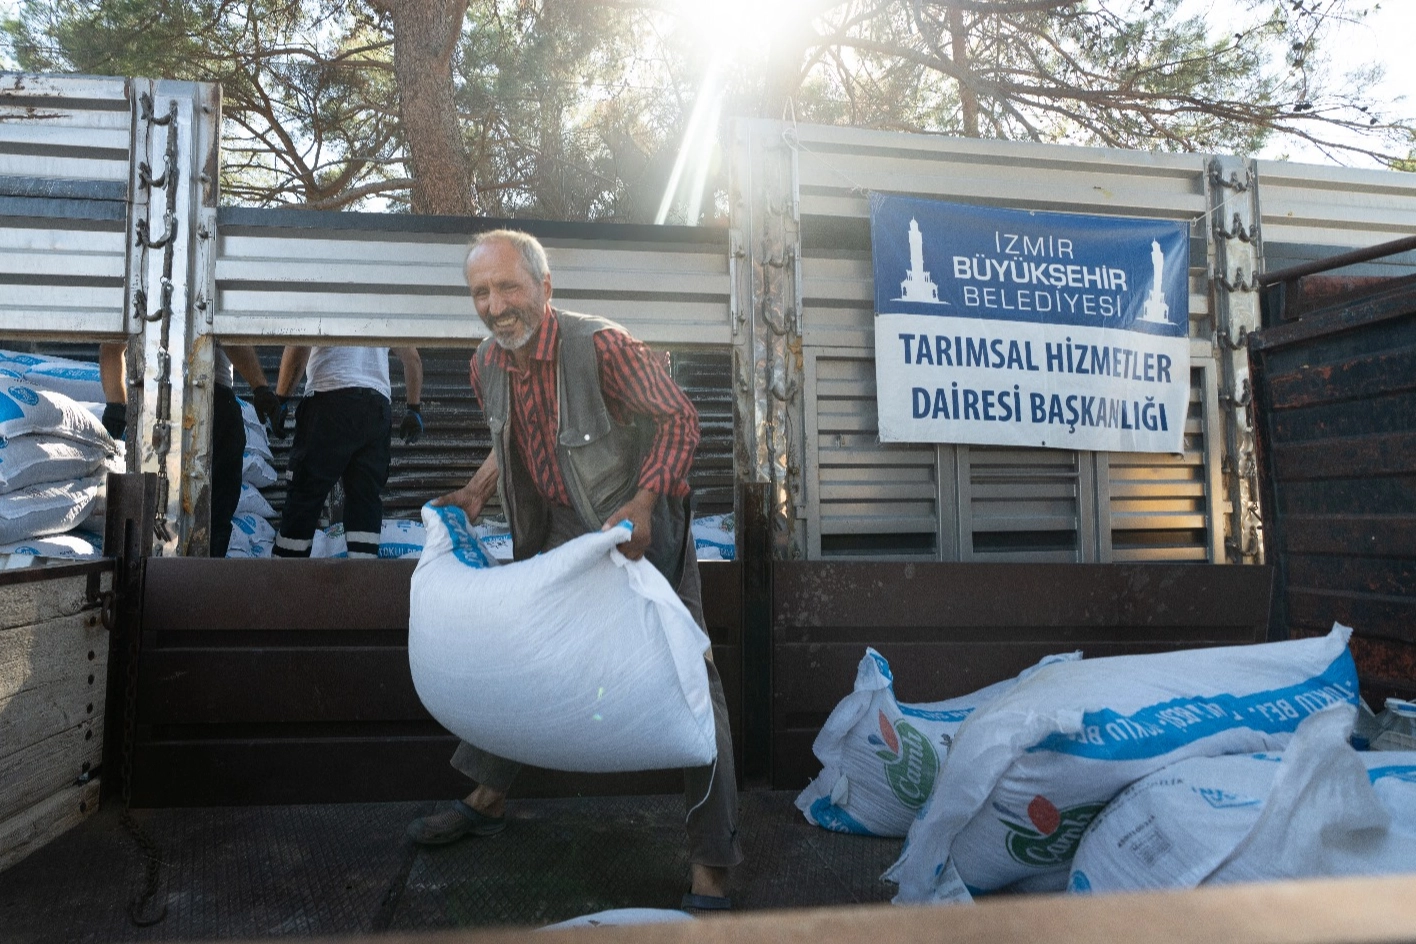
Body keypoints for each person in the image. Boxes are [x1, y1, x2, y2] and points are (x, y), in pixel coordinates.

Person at [403, 230, 740, 914]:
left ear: (545, 287)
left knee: (691, 677)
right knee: (520, 650)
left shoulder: (602, 345)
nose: (496, 306)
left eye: (509, 287)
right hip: (555, 524)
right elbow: (513, 442)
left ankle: (711, 862)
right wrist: (474, 491)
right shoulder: (484, 364)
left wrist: (644, 504)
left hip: (637, 525)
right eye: (481, 293)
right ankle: (488, 797)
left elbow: (680, 420)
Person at [99, 340, 280, 556]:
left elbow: (111, 347)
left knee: (158, 506)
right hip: (210, 399)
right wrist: (259, 386)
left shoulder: (138, 307)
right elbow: (228, 336)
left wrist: (116, 405)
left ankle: (160, 575)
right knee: (213, 511)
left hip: (158, 404)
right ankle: (200, 576)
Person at [271, 345, 423, 559]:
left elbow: (299, 345)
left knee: (304, 498)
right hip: (376, 408)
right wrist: (413, 408)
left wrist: (281, 399)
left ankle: (283, 580)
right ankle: (362, 582)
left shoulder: (325, 308)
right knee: (365, 502)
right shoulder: (386, 309)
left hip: (328, 399)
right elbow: (412, 359)